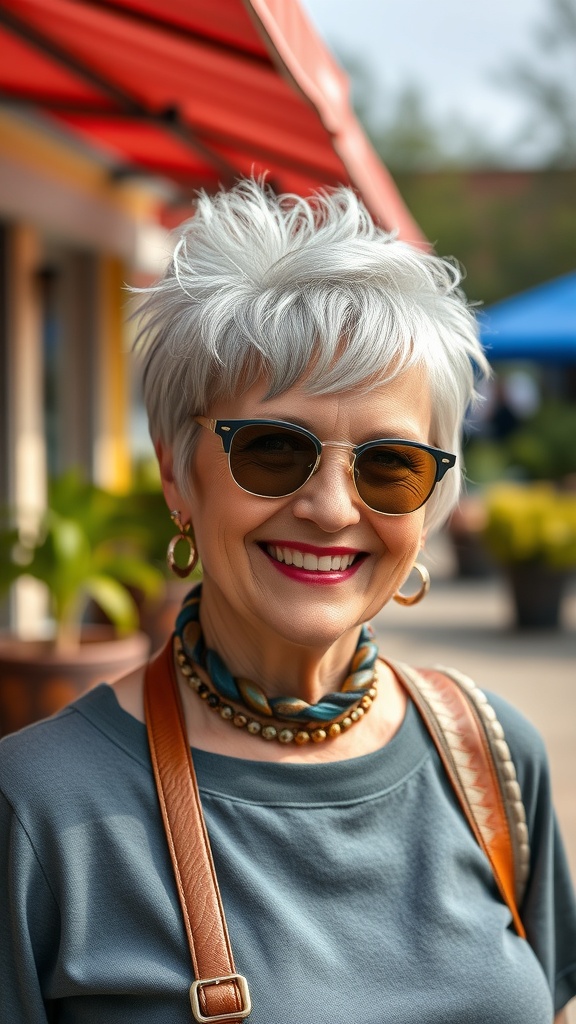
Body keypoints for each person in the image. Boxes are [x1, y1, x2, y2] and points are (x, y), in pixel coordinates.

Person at [1, 179, 575, 1024]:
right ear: (176, 471)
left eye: (390, 465)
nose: (333, 509)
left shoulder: (490, 756)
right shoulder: (37, 808)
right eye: (274, 450)